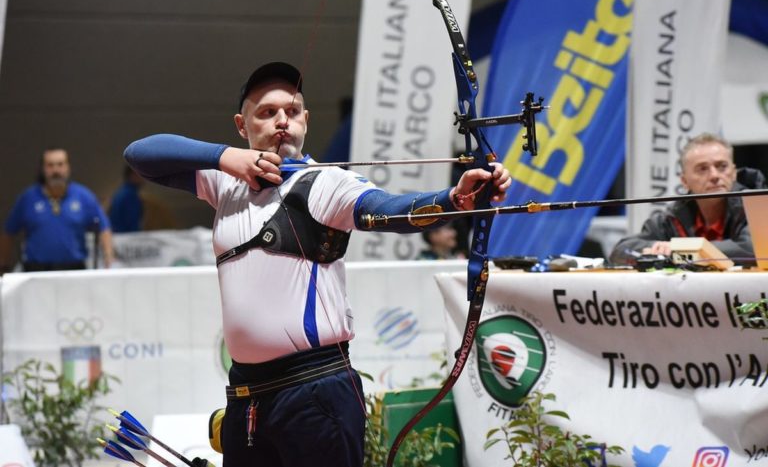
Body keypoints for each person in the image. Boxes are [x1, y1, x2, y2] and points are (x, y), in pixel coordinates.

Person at [124, 61, 510, 467]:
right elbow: (140, 154)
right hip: (246, 395)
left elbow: (390, 210)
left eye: (291, 112)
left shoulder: (326, 183)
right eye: (267, 112)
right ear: (242, 125)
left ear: (305, 120)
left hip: (315, 391)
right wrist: (227, 159)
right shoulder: (224, 184)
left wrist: (454, 200)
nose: (281, 121)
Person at [609, 133, 767, 266]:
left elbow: (754, 250)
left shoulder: (757, 206)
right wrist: (657, 249)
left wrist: (680, 250)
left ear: (733, 173)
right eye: (702, 169)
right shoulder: (672, 217)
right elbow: (620, 252)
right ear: (684, 181)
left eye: (721, 166)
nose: (714, 175)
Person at [0, 147, 114, 272]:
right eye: (50, 165)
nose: (56, 170)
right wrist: (3, 263)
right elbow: (8, 232)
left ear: (68, 167)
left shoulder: (83, 196)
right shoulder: (28, 198)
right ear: (43, 169)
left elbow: (104, 227)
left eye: (60, 164)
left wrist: (108, 258)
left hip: (74, 270)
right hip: (36, 271)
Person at [108, 165, 145, 232]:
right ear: (132, 175)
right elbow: (132, 222)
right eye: (141, 174)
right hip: (126, 236)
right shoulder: (130, 195)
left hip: (117, 235)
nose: (143, 178)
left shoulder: (121, 192)